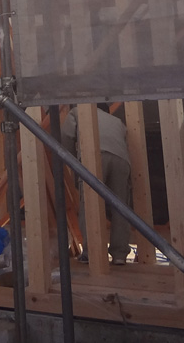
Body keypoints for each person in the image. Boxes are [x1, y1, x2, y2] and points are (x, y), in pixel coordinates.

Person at [61, 105, 132, 265]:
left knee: (90, 205)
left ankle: (91, 252)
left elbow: (66, 135)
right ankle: (119, 254)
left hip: (94, 155)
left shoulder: (77, 112)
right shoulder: (117, 121)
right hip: (122, 160)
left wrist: (72, 160)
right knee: (120, 207)